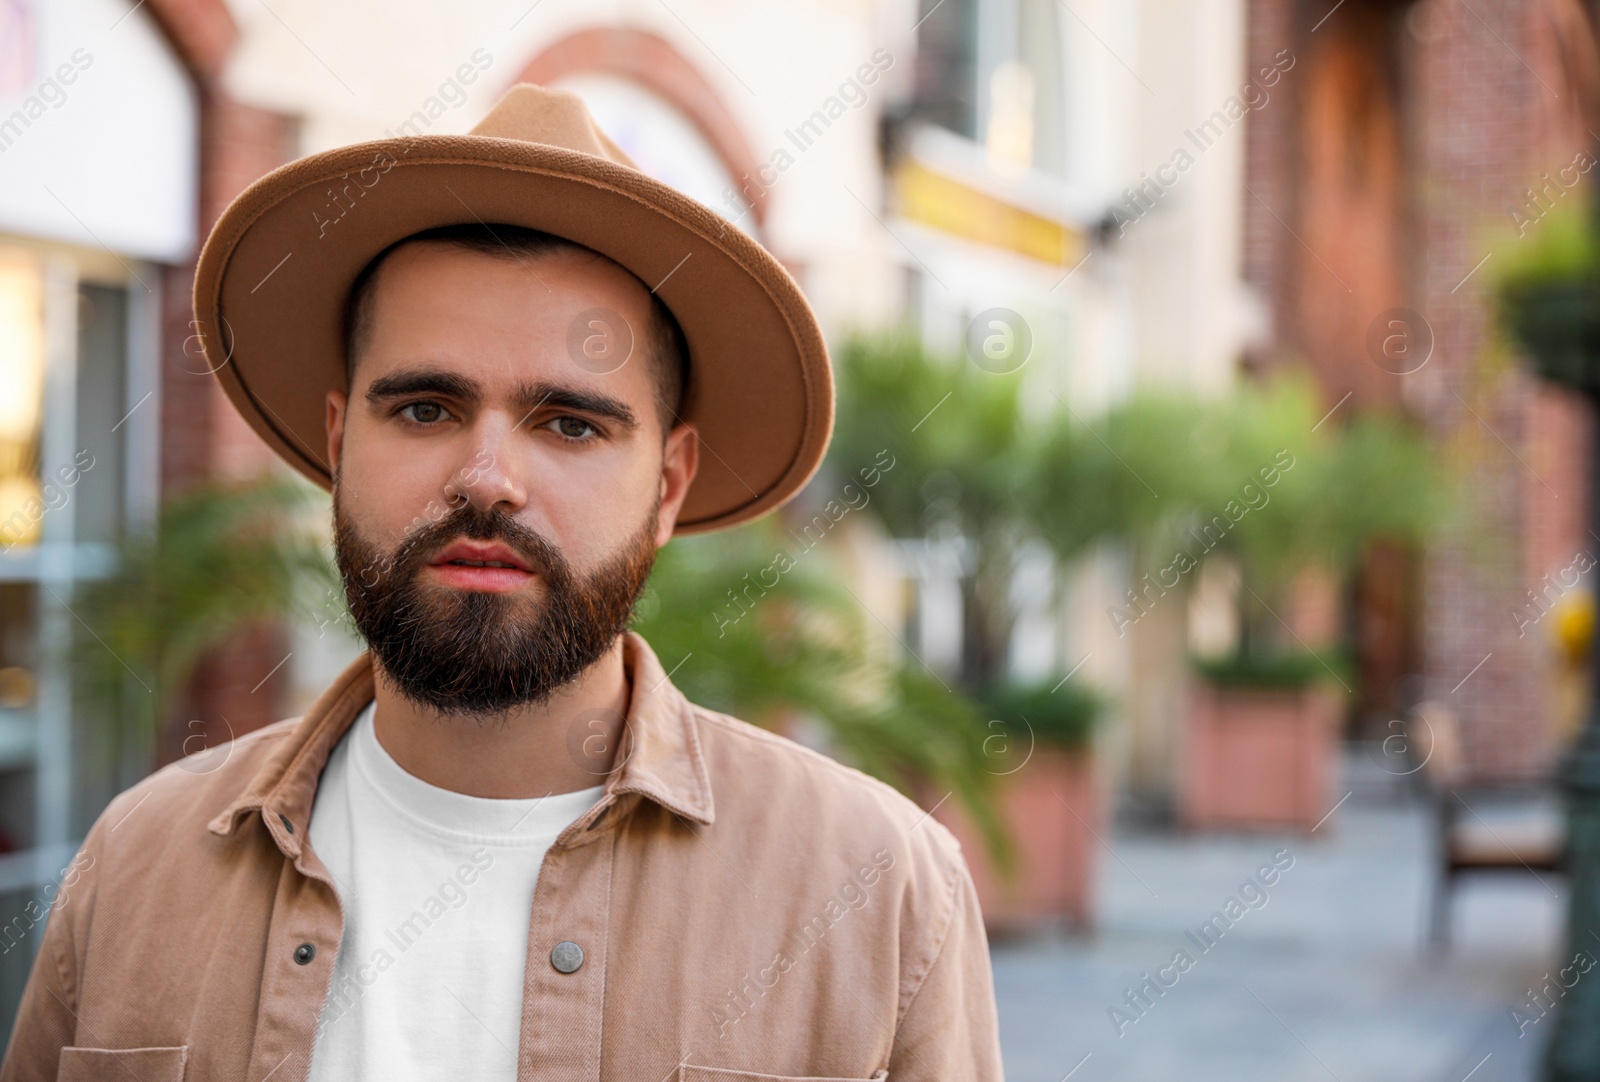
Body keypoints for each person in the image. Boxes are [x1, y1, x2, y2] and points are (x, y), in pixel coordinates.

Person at [0, 84, 1003, 1081]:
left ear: (668, 482)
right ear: (341, 441)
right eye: (427, 408)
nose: (485, 479)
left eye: (570, 423)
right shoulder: (137, 866)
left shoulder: (881, 892)